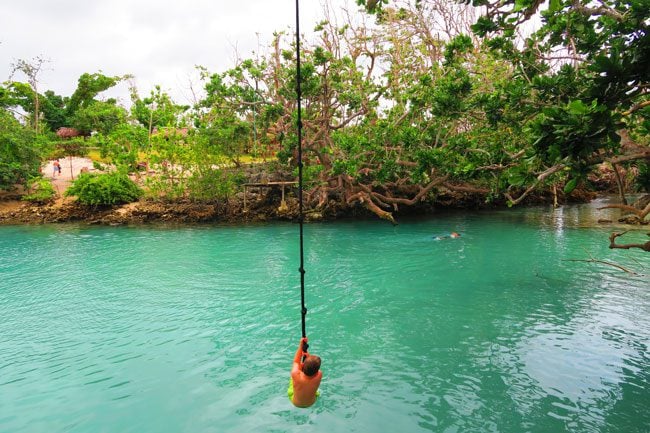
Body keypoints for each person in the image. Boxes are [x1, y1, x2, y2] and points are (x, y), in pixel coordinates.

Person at [288, 337, 322, 408]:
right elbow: (313, 368)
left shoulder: (295, 374)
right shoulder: (319, 375)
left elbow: (296, 362)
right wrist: (308, 356)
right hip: (311, 403)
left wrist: (301, 345)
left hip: (296, 403)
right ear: (316, 372)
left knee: (293, 378)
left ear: (303, 365)